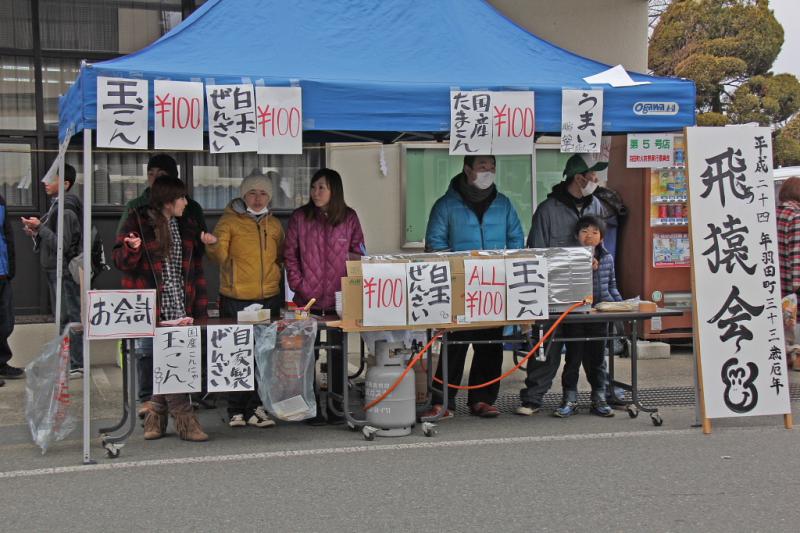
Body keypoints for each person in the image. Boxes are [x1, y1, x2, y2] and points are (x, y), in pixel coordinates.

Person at [423, 155, 525, 419]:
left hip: (494, 286)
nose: (488, 171)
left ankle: (483, 399)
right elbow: (434, 244)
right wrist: (456, 273)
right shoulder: (446, 205)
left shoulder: (504, 204)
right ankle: (442, 401)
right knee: (454, 346)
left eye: (492, 166)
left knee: (490, 346)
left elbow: (516, 239)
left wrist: (506, 268)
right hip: (460, 287)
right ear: (467, 169)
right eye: (482, 166)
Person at [113, 176, 209, 442]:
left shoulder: (186, 225)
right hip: (151, 306)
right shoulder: (139, 220)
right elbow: (120, 260)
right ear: (169, 201)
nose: (185, 202)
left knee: (170, 360)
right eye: (181, 198)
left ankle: (155, 414)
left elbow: (194, 269)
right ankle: (185, 417)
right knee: (164, 360)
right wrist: (131, 249)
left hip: (180, 305)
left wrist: (199, 307)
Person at [517, 153, 609, 416]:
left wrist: (599, 261)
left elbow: (603, 246)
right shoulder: (548, 210)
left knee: (593, 346)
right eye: (593, 175)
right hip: (553, 294)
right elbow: (535, 251)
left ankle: (599, 394)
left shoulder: (597, 207)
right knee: (548, 346)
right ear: (579, 178)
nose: (596, 180)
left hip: (589, 294)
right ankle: (533, 398)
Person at [203, 170, 283, 428]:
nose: (258, 198)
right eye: (252, 192)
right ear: (243, 194)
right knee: (237, 353)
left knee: (265, 355)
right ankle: (236, 408)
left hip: (269, 296)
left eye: (263, 193)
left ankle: (257, 407)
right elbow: (219, 257)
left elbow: (280, 256)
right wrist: (213, 244)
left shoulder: (275, 224)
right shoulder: (229, 222)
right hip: (236, 298)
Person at [284, 168, 365, 425]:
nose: (316, 192)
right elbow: (290, 255)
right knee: (309, 352)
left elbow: (359, 253)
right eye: (314, 187)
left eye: (322, 188)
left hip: (340, 298)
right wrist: (299, 284)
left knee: (338, 352)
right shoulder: (300, 217)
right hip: (306, 298)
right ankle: (312, 406)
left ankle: (338, 405)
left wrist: (349, 284)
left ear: (334, 191)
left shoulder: (349, 218)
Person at [552, 216, 620, 418]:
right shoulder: (568, 258)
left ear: (601, 237)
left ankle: (599, 397)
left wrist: (622, 307)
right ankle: (569, 398)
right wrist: (582, 265)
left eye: (595, 232)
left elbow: (612, 287)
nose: (589, 236)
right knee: (573, 359)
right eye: (584, 231)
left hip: (599, 316)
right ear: (576, 235)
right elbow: (563, 287)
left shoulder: (607, 258)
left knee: (598, 360)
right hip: (576, 316)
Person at [20, 164, 83, 377]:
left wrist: (39, 228)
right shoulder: (57, 205)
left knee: (69, 317)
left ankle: (76, 363)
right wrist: (36, 232)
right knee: (64, 317)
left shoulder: (65, 209)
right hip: (55, 270)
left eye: (51, 178)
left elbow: (61, 245)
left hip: (63, 271)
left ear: (65, 184)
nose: (45, 182)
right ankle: (68, 361)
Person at [776, 176, 800, 370]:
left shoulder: (775, 213)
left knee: (780, 322)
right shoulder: (796, 215)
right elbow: (796, 252)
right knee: (792, 322)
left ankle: (782, 356)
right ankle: (793, 357)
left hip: (775, 280)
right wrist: (797, 284)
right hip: (792, 282)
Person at [0, 193, 21, 384]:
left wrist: (10, 267)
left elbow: (7, 235)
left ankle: (1, 362)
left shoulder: (0, 201)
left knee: (6, 321)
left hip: (2, 271)